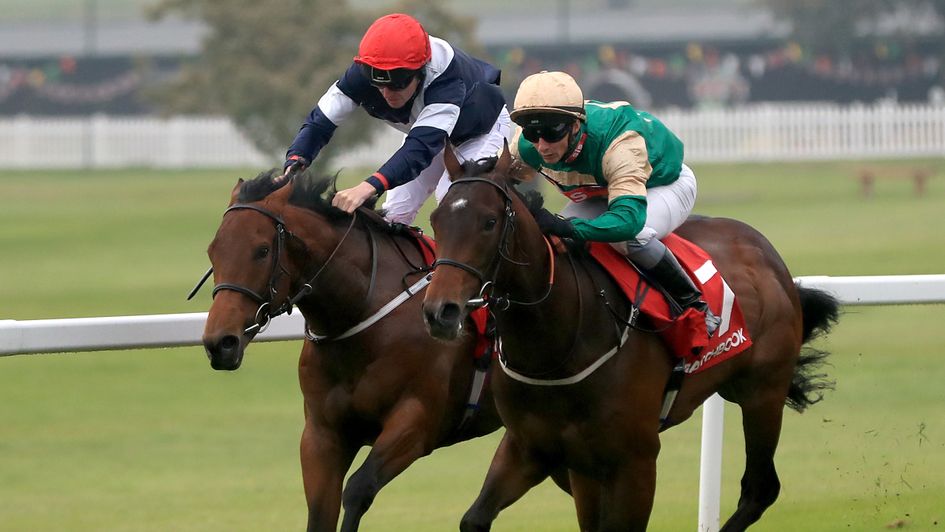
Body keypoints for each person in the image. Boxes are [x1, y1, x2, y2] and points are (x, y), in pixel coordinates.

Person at [509, 70, 720, 336]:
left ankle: (695, 304)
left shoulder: (620, 144)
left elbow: (628, 222)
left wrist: (571, 229)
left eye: (551, 132)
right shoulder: (526, 146)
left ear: (575, 125)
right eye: (532, 132)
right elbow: (493, 181)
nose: (541, 145)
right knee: (552, 242)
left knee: (629, 239)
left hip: (662, 185)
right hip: (600, 190)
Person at [279, 13, 510, 225]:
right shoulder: (361, 73)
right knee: (393, 216)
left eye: (398, 84)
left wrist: (369, 186)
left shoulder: (446, 80)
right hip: (431, 136)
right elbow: (320, 122)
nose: (387, 94)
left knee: (455, 206)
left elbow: (420, 148)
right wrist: (295, 161)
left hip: (481, 132)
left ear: (421, 71)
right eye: (379, 85)